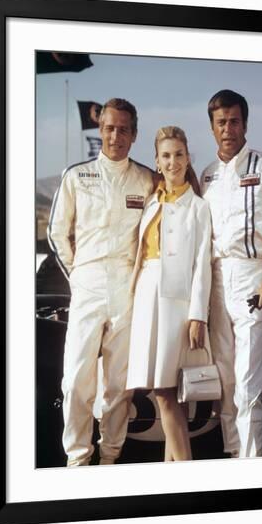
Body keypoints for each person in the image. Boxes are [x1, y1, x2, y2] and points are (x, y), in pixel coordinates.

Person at [48, 98, 154, 466]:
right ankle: (77, 459)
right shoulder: (76, 176)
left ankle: (110, 458)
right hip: (87, 281)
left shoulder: (147, 179)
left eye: (124, 129)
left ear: (134, 134)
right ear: (100, 130)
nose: (116, 136)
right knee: (76, 378)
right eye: (109, 128)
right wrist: (76, 275)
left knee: (117, 384)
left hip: (127, 286)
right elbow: (57, 233)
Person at [200, 89, 262, 458]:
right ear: (212, 127)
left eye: (234, 121)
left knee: (249, 384)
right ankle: (232, 458)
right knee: (225, 379)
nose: (228, 129)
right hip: (217, 281)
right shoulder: (206, 176)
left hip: (254, 278)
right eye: (221, 122)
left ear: (245, 124)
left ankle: (252, 468)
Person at [126, 126, 212, 461]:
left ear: (188, 157)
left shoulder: (198, 208)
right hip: (147, 298)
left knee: (166, 392)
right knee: (166, 394)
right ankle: (170, 477)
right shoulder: (151, 203)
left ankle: (188, 478)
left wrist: (197, 315)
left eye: (178, 154)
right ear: (157, 162)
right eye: (166, 156)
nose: (173, 161)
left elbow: (202, 265)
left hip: (178, 305)